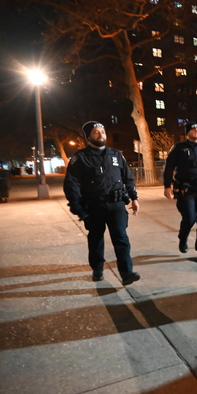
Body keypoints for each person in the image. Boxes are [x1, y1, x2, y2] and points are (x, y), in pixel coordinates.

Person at [64, 121, 141, 286]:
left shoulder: (116, 155)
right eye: (96, 132)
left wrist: (134, 198)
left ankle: (126, 273)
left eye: (103, 131)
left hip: (117, 205)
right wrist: (78, 209)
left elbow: (128, 177)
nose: (101, 135)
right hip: (93, 207)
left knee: (121, 238)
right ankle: (97, 269)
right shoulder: (81, 158)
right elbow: (72, 184)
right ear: (89, 137)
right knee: (96, 239)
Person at [163, 122, 197, 261]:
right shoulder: (178, 148)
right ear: (187, 132)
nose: (196, 131)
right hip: (186, 190)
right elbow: (169, 168)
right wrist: (167, 186)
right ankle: (183, 237)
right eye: (193, 129)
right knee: (190, 218)